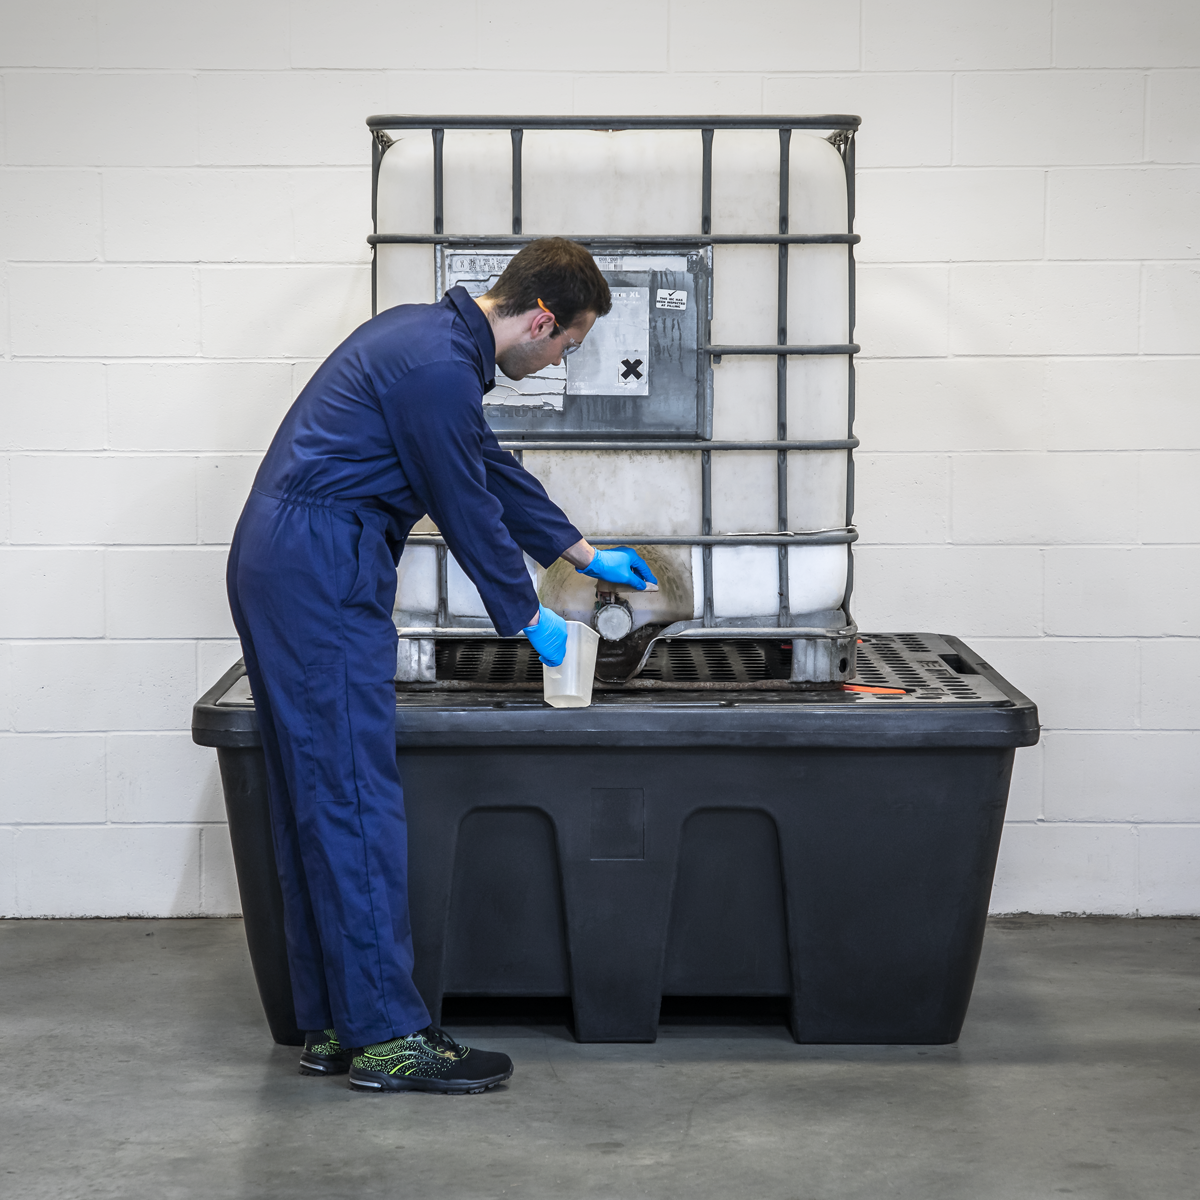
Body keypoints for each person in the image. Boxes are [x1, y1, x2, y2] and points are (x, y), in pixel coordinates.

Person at [226, 237, 657, 1095]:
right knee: (353, 797)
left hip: (293, 559)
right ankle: (388, 1037)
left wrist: (579, 550)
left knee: (318, 795)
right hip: (318, 568)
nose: (559, 362)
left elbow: (485, 467)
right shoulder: (436, 367)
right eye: (569, 345)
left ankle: (336, 1022)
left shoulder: (429, 343)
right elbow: (462, 501)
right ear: (541, 320)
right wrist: (529, 617)